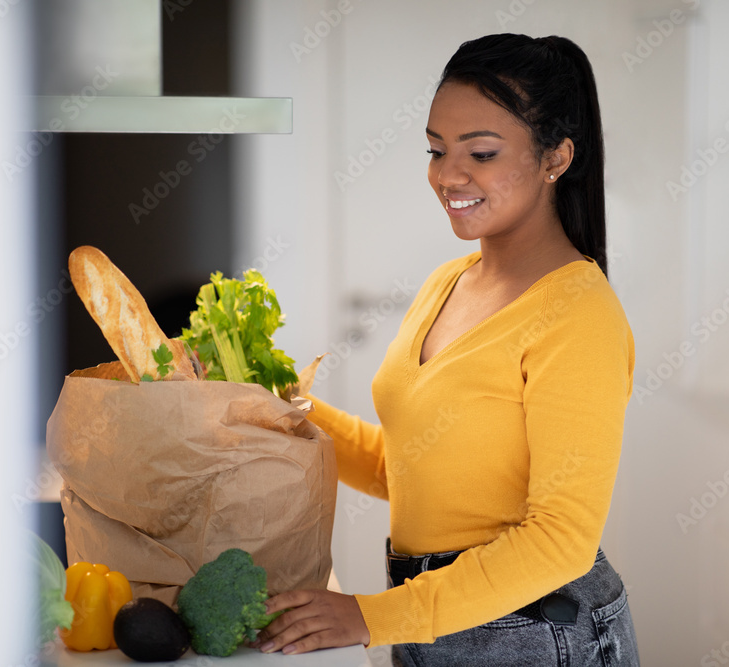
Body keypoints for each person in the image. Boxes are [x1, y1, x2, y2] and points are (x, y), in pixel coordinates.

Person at [254, 33, 638, 666]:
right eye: (436, 150)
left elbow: (562, 539)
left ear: (556, 158)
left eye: (480, 153)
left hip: (538, 636)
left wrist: (371, 617)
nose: (447, 175)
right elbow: (403, 467)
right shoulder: (448, 282)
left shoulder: (579, 314)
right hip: (437, 621)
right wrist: (277, 402)